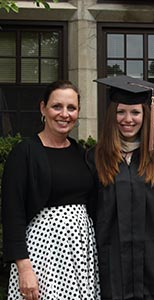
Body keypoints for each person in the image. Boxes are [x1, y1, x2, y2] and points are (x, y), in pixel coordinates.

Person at [1, 80, 100, 300]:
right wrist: (24, 268)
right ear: (43, 108)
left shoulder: (81, 152)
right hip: (40, 255)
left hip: (80, 256)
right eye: (57, 106)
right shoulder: (24, 152)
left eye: (71, 108)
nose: (64, 114)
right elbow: (12, 213)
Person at [88, 75, 154, 300]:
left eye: (135, 112)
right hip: (111, 266)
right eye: (121, 112)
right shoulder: (95, 158)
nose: (128, 119)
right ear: (111, 115)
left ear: (146, 115)